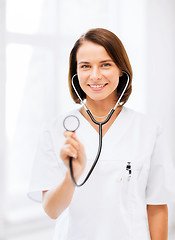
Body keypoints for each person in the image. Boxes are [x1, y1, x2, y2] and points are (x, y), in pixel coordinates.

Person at [28, 28, 175, 240]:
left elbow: (157, 206)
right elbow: (52, 210)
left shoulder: (149, 129)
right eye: (85, 66)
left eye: (105, 64)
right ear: (75, 73)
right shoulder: (56, 130)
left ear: (121, 70)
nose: (95, 75)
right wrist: (72, 177)